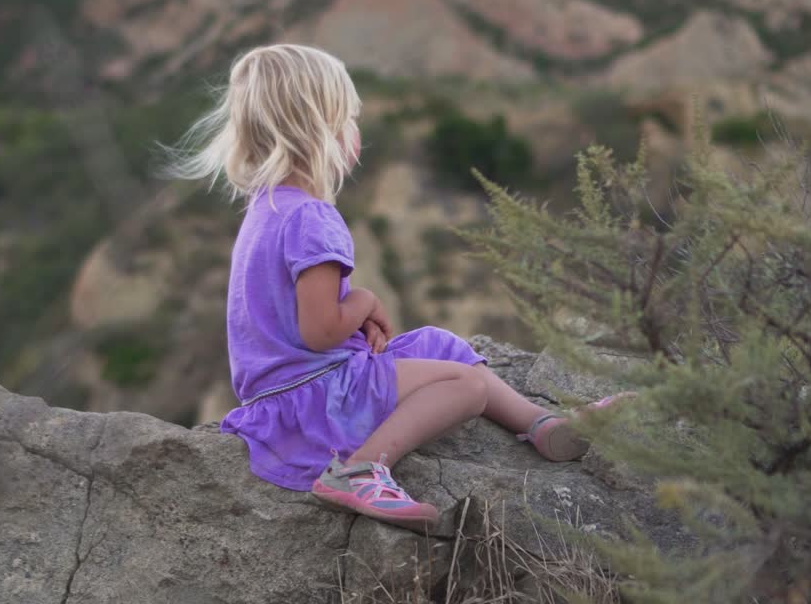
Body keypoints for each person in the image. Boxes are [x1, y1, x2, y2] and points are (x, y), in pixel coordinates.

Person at [163, 44, 619, 532]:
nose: (356, 132)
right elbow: (319, 332)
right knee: (462, 385)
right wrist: (364, 302)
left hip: (292, 391)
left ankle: (544, 427)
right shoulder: (313, 218)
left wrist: (355, 317)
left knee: (440, 345)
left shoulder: (267, 209)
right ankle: (360, 469)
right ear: (320, 130)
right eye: (350, 119)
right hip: (314, 401)